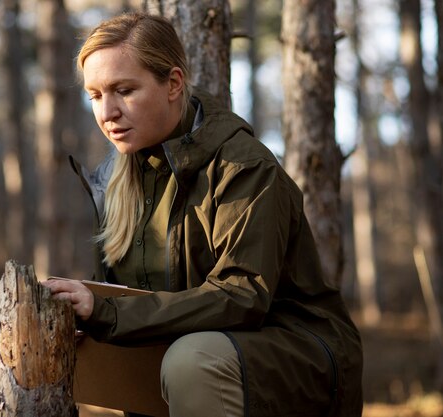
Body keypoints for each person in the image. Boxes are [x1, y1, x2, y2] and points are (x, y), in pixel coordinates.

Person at [42, 12, 363, 417]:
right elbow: (138, 309)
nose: (107, 112)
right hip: (198, 362)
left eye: (124, 90)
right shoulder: (116, 181)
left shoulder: (243, 167)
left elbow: (242, 297)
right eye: (95, 95)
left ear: (173, 83)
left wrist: (108, 313)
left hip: (298, 356)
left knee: (191, 360)